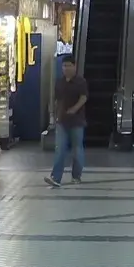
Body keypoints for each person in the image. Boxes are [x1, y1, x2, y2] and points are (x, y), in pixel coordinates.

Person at [47, 56, 88, 187]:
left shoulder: (81, 82)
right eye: (64, 66)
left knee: (77, 149)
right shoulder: (59, 82)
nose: (66, 68)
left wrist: (74, 109)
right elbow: (56, 100)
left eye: (69, 65)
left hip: (77, 121)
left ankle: (76, 175)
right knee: (60, 149)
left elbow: (84, 97)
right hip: (62, 121)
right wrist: (53, 114)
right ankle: (56, 177)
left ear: (75, 66)